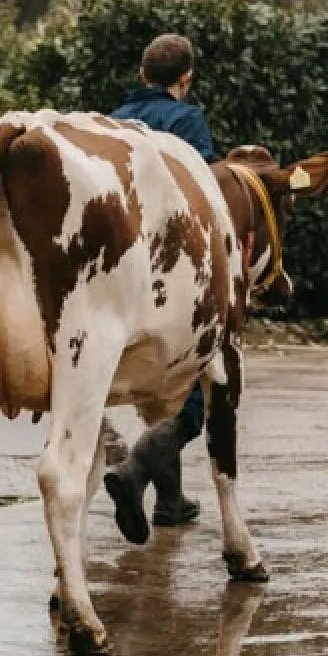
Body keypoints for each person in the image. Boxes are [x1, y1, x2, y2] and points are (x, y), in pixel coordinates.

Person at [103, 34, 214, 543]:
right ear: (184, 78)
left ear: (142, 73)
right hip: (169, 269)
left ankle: (170, 500)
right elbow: (202, 197)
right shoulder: (187, 122)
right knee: (192, 385)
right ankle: (136, 472)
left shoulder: (111, 123)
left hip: (118, 268)